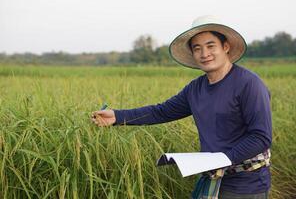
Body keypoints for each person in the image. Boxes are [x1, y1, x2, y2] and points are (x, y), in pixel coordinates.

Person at [91, 15, 272, 199]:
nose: (204, 53)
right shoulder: (195, 88)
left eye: (211, 46)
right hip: (211, 178)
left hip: (246, 185)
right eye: (197, 48)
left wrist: (222, 160)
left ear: (225, 47)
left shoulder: (248, 84)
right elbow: (161, 111)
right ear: (193, 54)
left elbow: (261, 137)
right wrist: (117, 117)